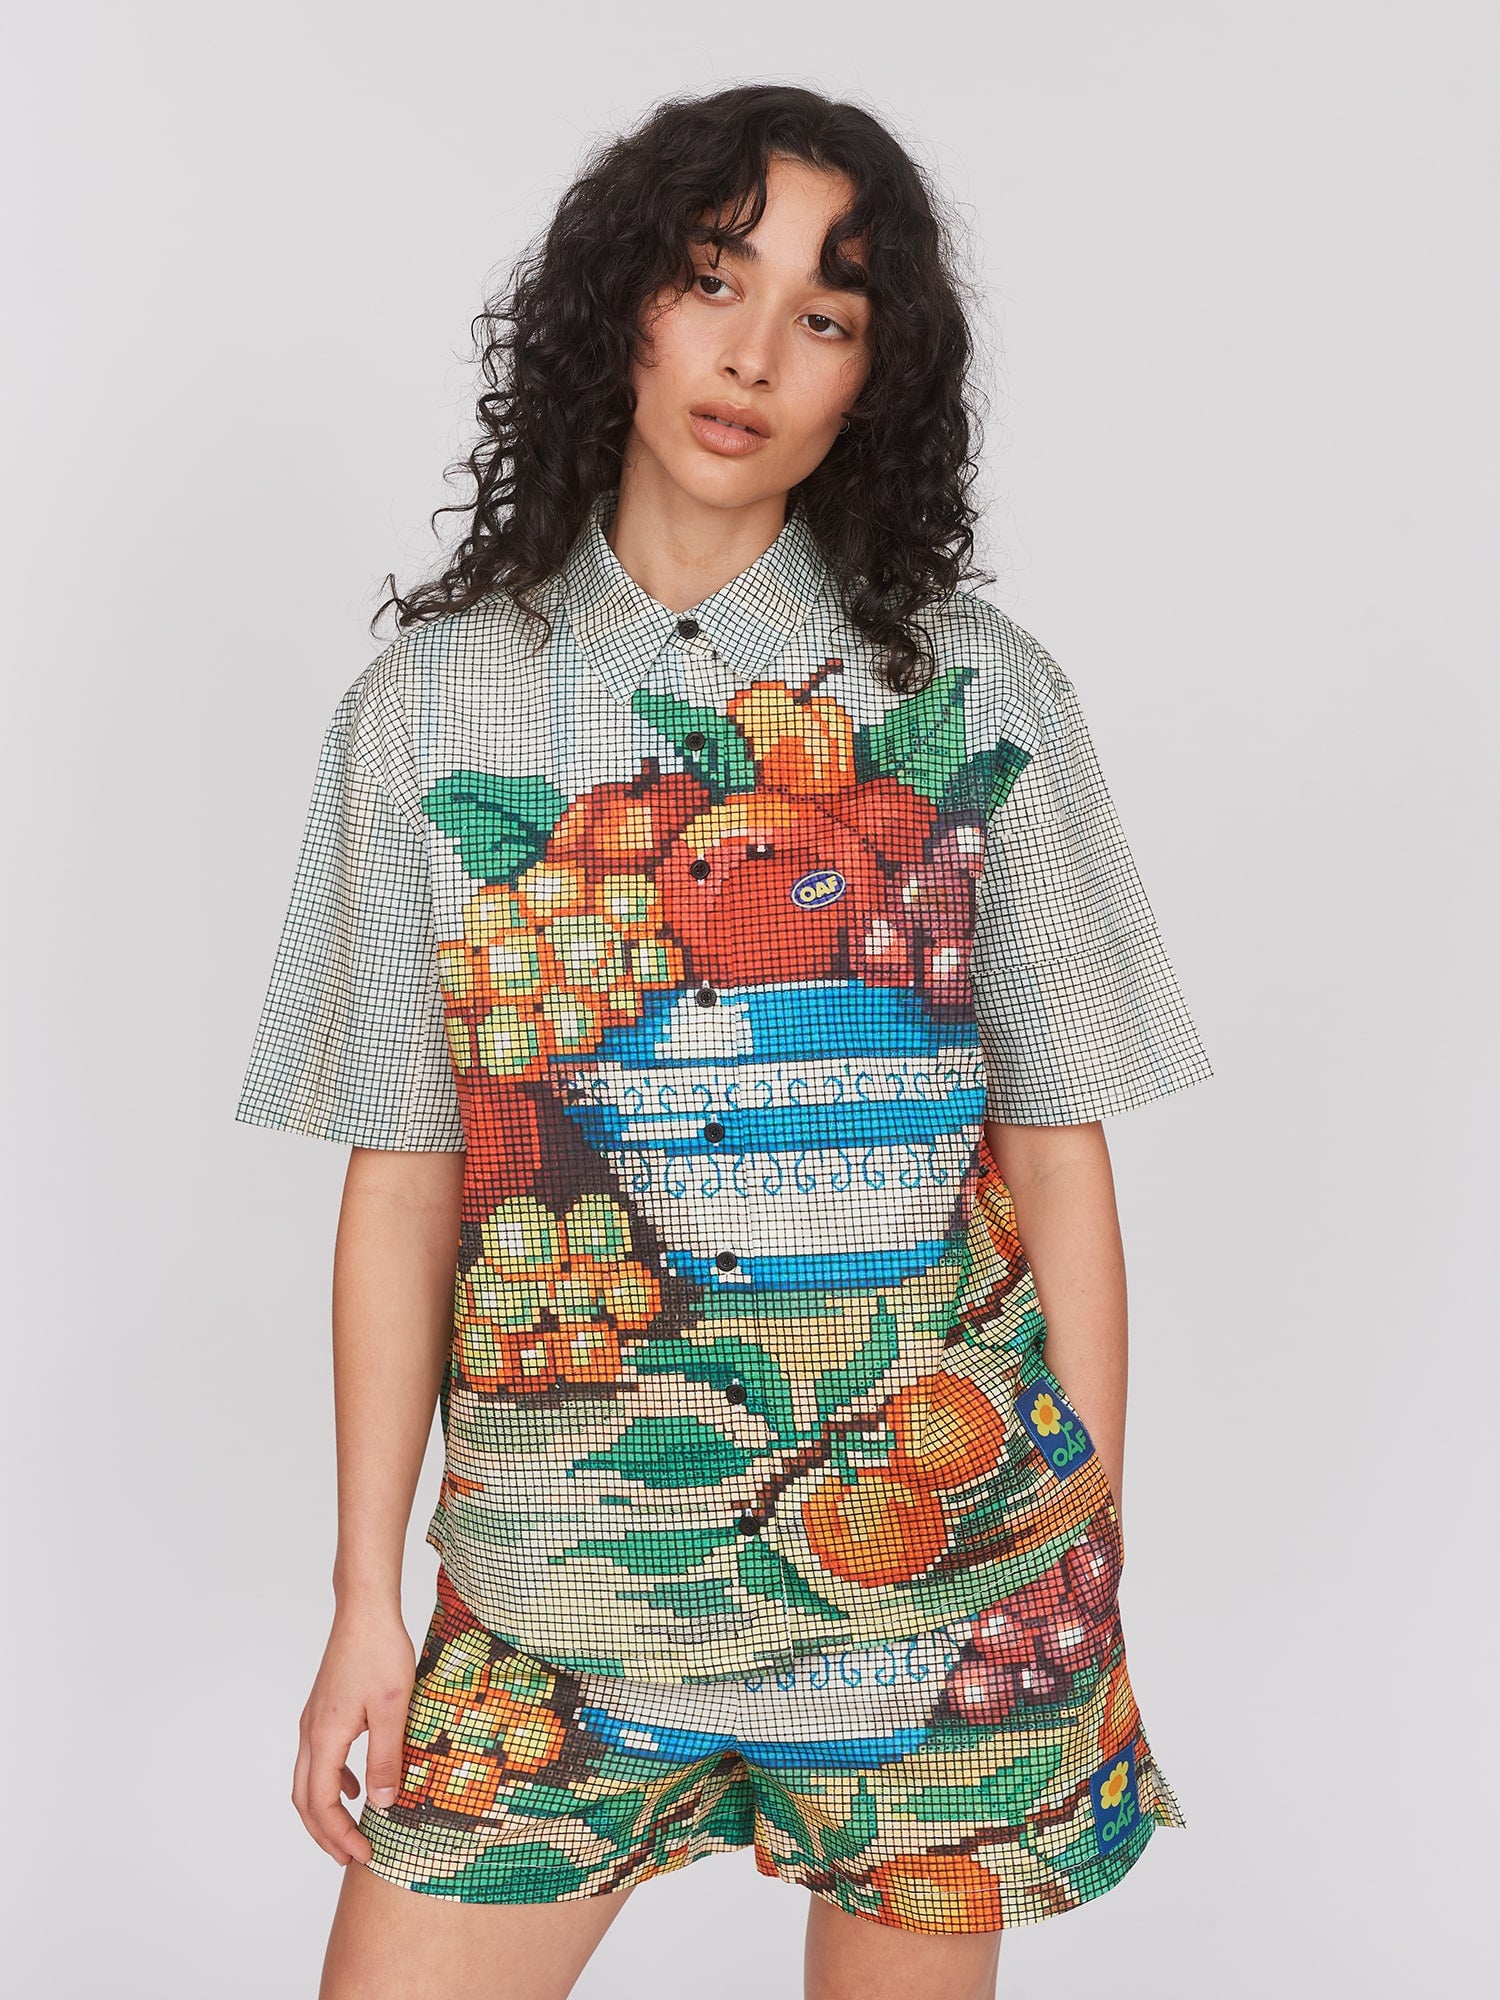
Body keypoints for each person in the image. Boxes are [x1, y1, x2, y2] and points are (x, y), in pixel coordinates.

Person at [235, 82, 1214, 2000]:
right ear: (622, 304)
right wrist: (365, 1594)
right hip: (551, 1576)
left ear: (876, 380)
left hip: (934, 1556)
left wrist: (1076, 1543)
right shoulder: (428, 710)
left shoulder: (979, 693)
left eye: (824, 315)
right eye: (712, 279)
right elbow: (402, 1175)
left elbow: (1059, 1152)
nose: (754, 354)